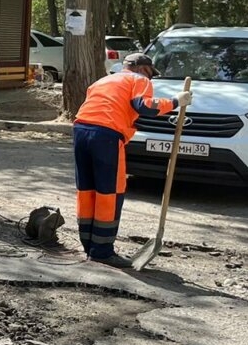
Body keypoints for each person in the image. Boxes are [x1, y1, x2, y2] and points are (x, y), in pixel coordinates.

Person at [73, 51, 192, 268]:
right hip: (106, 135)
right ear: (142, 69)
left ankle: (89, 245)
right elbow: (144, 106)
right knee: (110, 192)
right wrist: (175, 101)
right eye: (150, 74)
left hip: (81, 129)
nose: (151, 79)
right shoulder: (139, 79)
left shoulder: (104, 80)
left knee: (87, 190)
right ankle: (102, 251)